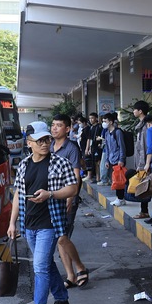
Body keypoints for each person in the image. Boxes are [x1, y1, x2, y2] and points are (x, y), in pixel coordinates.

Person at [7, 121, 80, 304]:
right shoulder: (23, 165)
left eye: (47, 139)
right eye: (40, 140)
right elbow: (18, 195)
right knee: (46, 264)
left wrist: (51, 194)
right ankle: (62, 299)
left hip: (50, 222)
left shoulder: (59, 163)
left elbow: (73, 189)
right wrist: (12, 223)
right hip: (28, 224)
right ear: (29, 143)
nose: (45, 143)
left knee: (39, 266)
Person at [50, 114, 90, 289]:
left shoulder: (71, 148)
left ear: (67, 129)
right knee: (60, 237)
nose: (54, 128)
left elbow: (76, 175)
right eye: (53, 125)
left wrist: (70, 198)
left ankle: (80, 267)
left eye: (59, 125)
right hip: (53, 198)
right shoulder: (50, 146)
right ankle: (71, 275)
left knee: (61, 237)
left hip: (67, 197)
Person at [131, 100, 151, 220]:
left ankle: (144, 211)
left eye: (135, 109)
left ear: (140, 111)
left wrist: (142, 164)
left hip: (143, 163)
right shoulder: (141, 126)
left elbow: (143, 147)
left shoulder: (144, 127)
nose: (133, 111)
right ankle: (144, 210)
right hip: (141, 160)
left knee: (144, 186)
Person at [102, 112, 127, 206]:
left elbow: (122, 147)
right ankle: (120, 198)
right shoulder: (107, 133)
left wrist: (121, 159)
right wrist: (107, 160)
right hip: (111, 159)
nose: (103, 123)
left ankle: (120, 198)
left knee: (119, 179)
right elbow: (107, 148)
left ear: (111, 122)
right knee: (115, 179)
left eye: (105, 121)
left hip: (118, 159)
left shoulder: (118, 132)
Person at [85, 112, 102, 182]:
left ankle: (100, 178)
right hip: (93, 147)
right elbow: (89, 139)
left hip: (99, 147)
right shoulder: (91, 127)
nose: (91, 120)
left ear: (96, 118)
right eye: (90, 118)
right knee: (95, 163)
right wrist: (87, 148)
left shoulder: (99, 127)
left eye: (92, 118)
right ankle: (97, 178)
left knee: (99, 162)